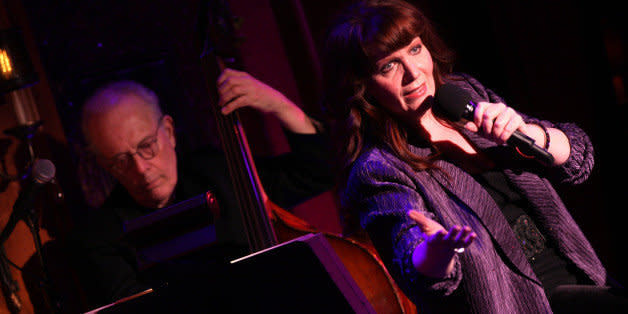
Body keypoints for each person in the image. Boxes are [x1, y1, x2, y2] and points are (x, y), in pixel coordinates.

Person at [323, 0, 626, 313]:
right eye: (388, 66)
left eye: (415, 49)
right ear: (363, 87)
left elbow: (578, 158)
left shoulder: (465, 94)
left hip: (582, 283)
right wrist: (435, 253)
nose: (413, 73)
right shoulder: (378, 169)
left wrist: (527, 132)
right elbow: (412, 261)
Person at [70, 69, 333, 311]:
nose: (140, 169)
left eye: (147, 145)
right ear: (105, 165)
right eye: (120, 161)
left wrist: (279, 105)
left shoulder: (220, 173)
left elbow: (319, 172)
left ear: (169, 132)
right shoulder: (104, 236)